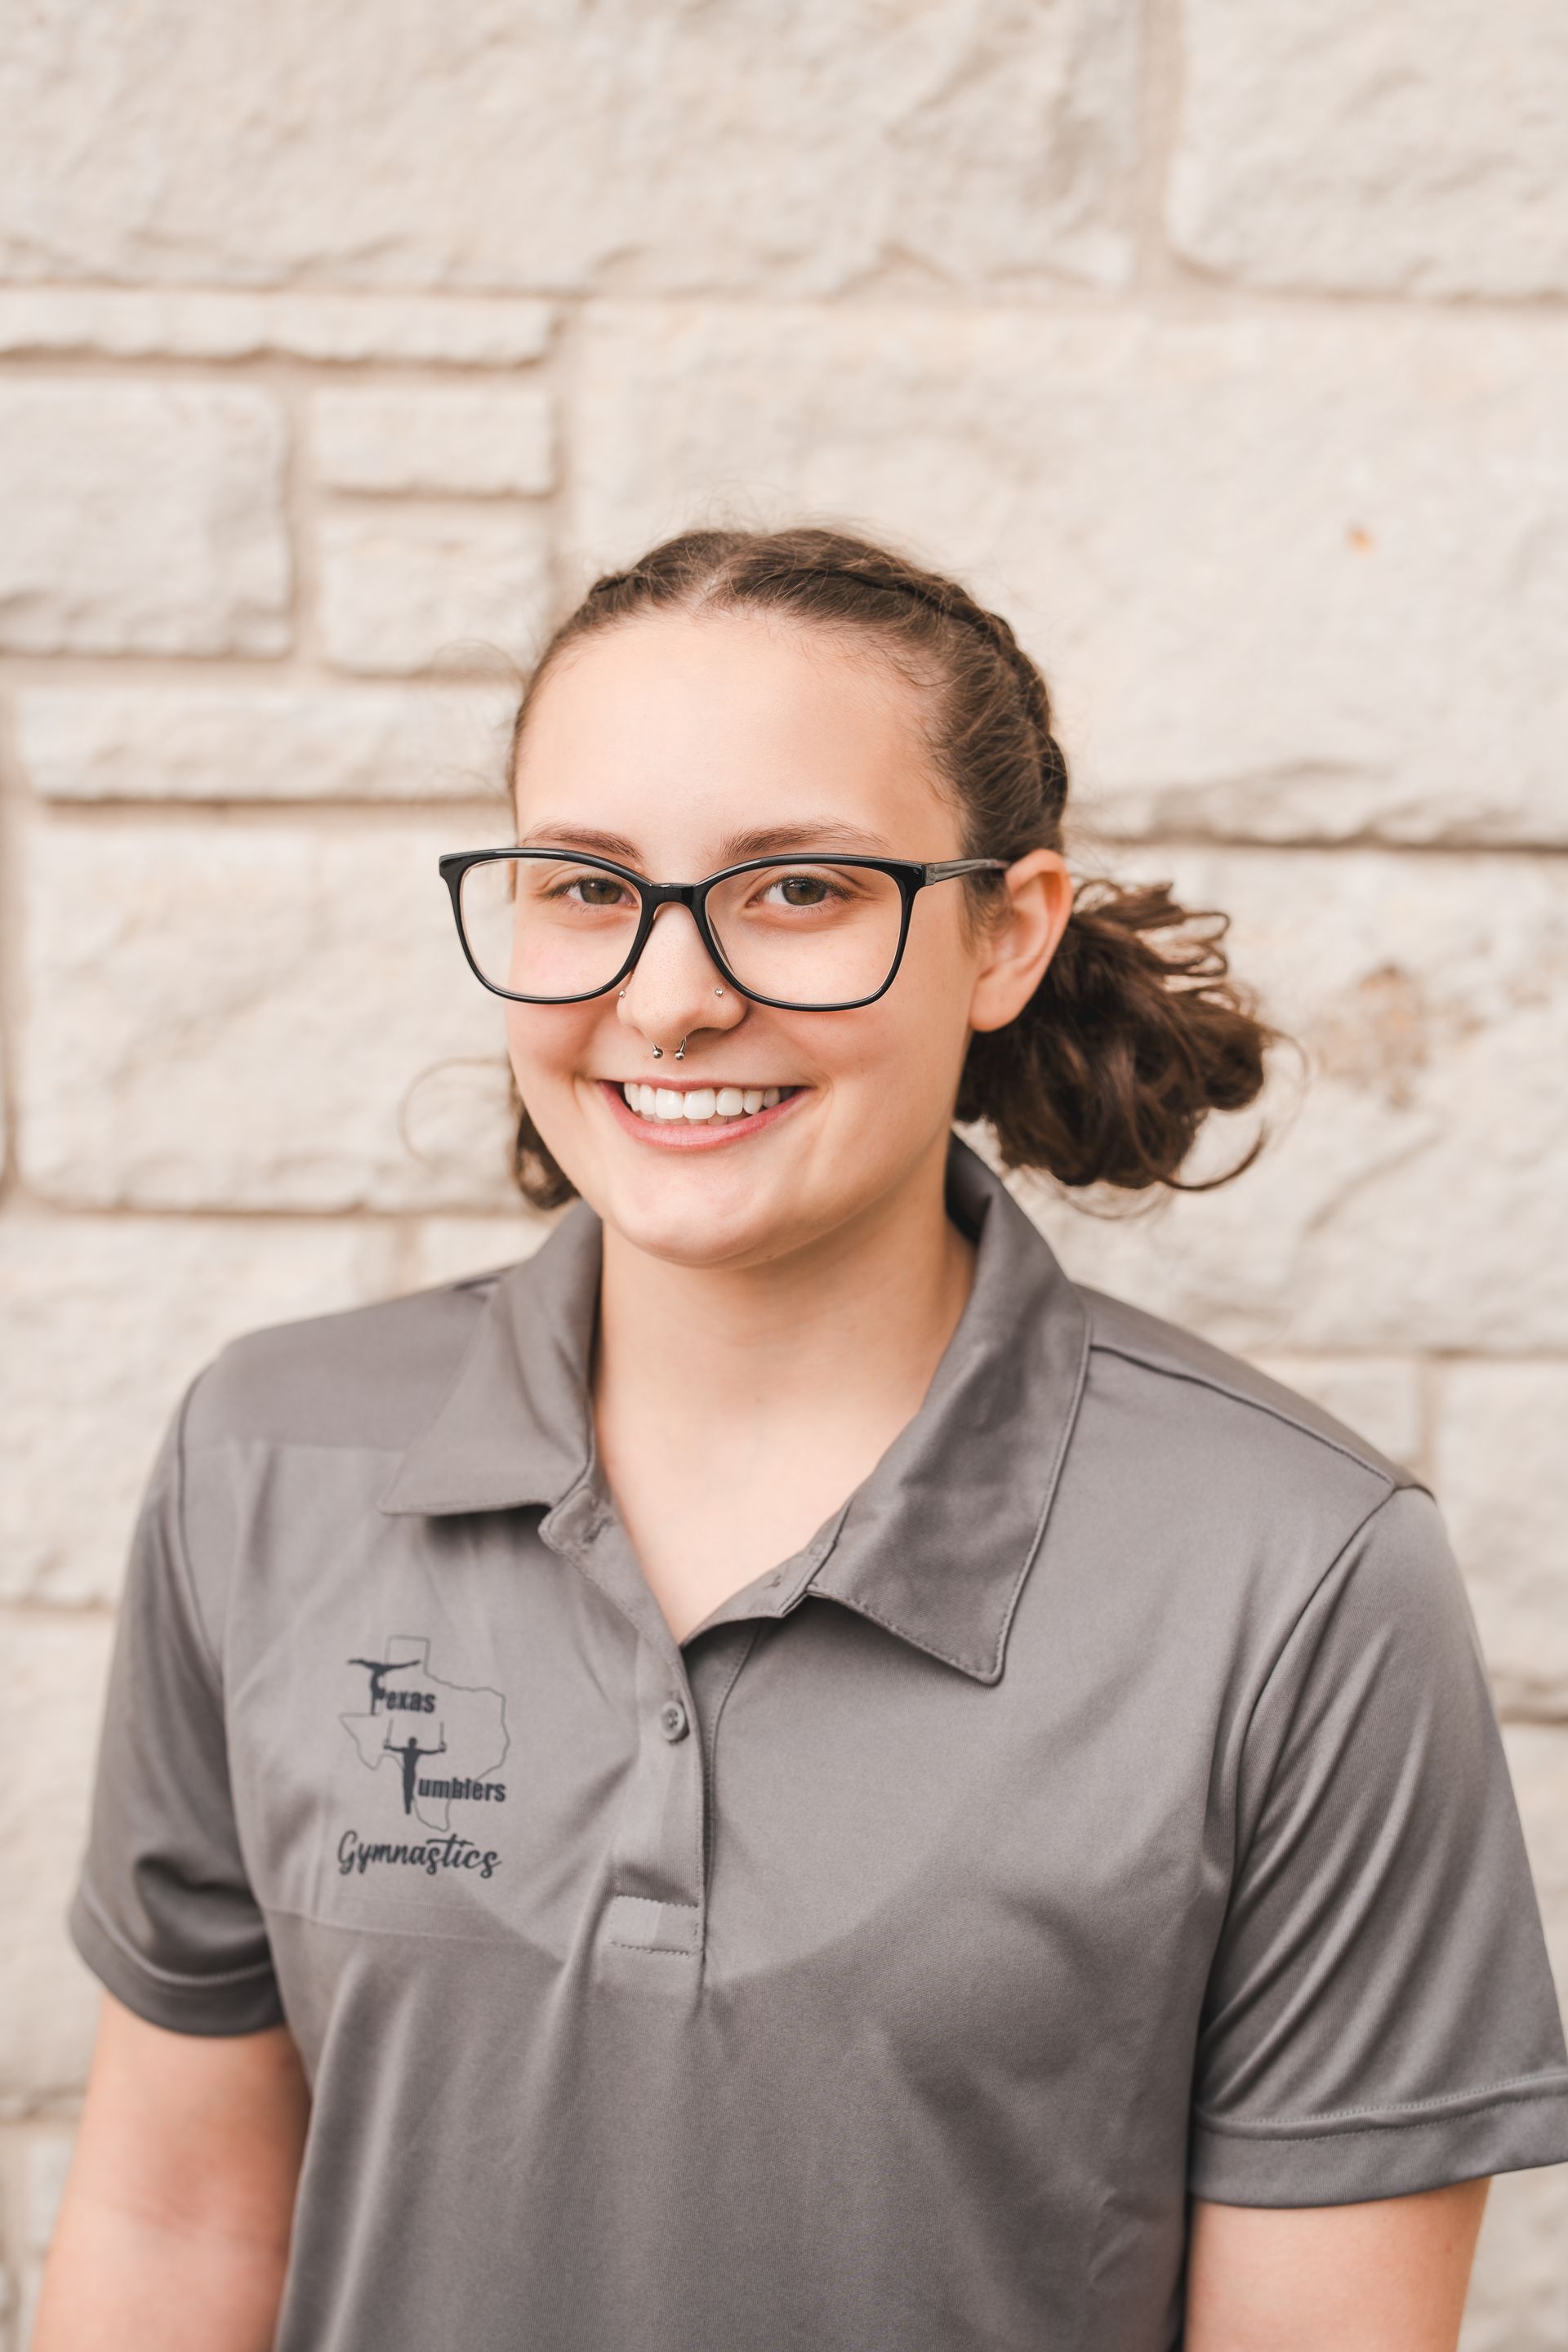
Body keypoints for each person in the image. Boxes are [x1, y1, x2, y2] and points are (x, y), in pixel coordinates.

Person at [38, 526, 1568, 2352]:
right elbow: (173, 2229)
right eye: (587, 886)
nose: (670, 995)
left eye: (800, 890)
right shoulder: (264, 1463)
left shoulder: (1295, 1580)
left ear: (1006, 935)